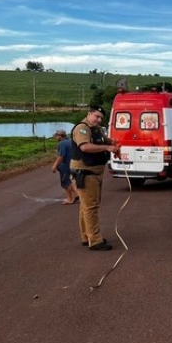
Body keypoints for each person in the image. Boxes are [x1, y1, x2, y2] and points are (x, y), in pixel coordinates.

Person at [70, 106, 120, 251]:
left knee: (86, 206)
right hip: (85, 172)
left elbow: (105, 140)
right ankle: (95, 240)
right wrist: (106, 148)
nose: (98, 120)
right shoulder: (82, 129)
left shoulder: (96, 129)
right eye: (96, 116)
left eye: (101, 118)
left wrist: (113, 143)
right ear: (89, 114)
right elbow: (85, 147)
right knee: (91, 206)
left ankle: (87, 236)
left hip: (94, 172)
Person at [51, 129, 78, 204]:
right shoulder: (70, 141)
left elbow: (61, 156)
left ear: (60, 136)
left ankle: (71, 198)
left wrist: (54, 165)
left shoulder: (62, 143)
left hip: (66, 165)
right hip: (73, 164)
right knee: (69, 181)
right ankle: (75, 195)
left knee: (65, 182)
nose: (55, 138)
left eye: (56, 136)